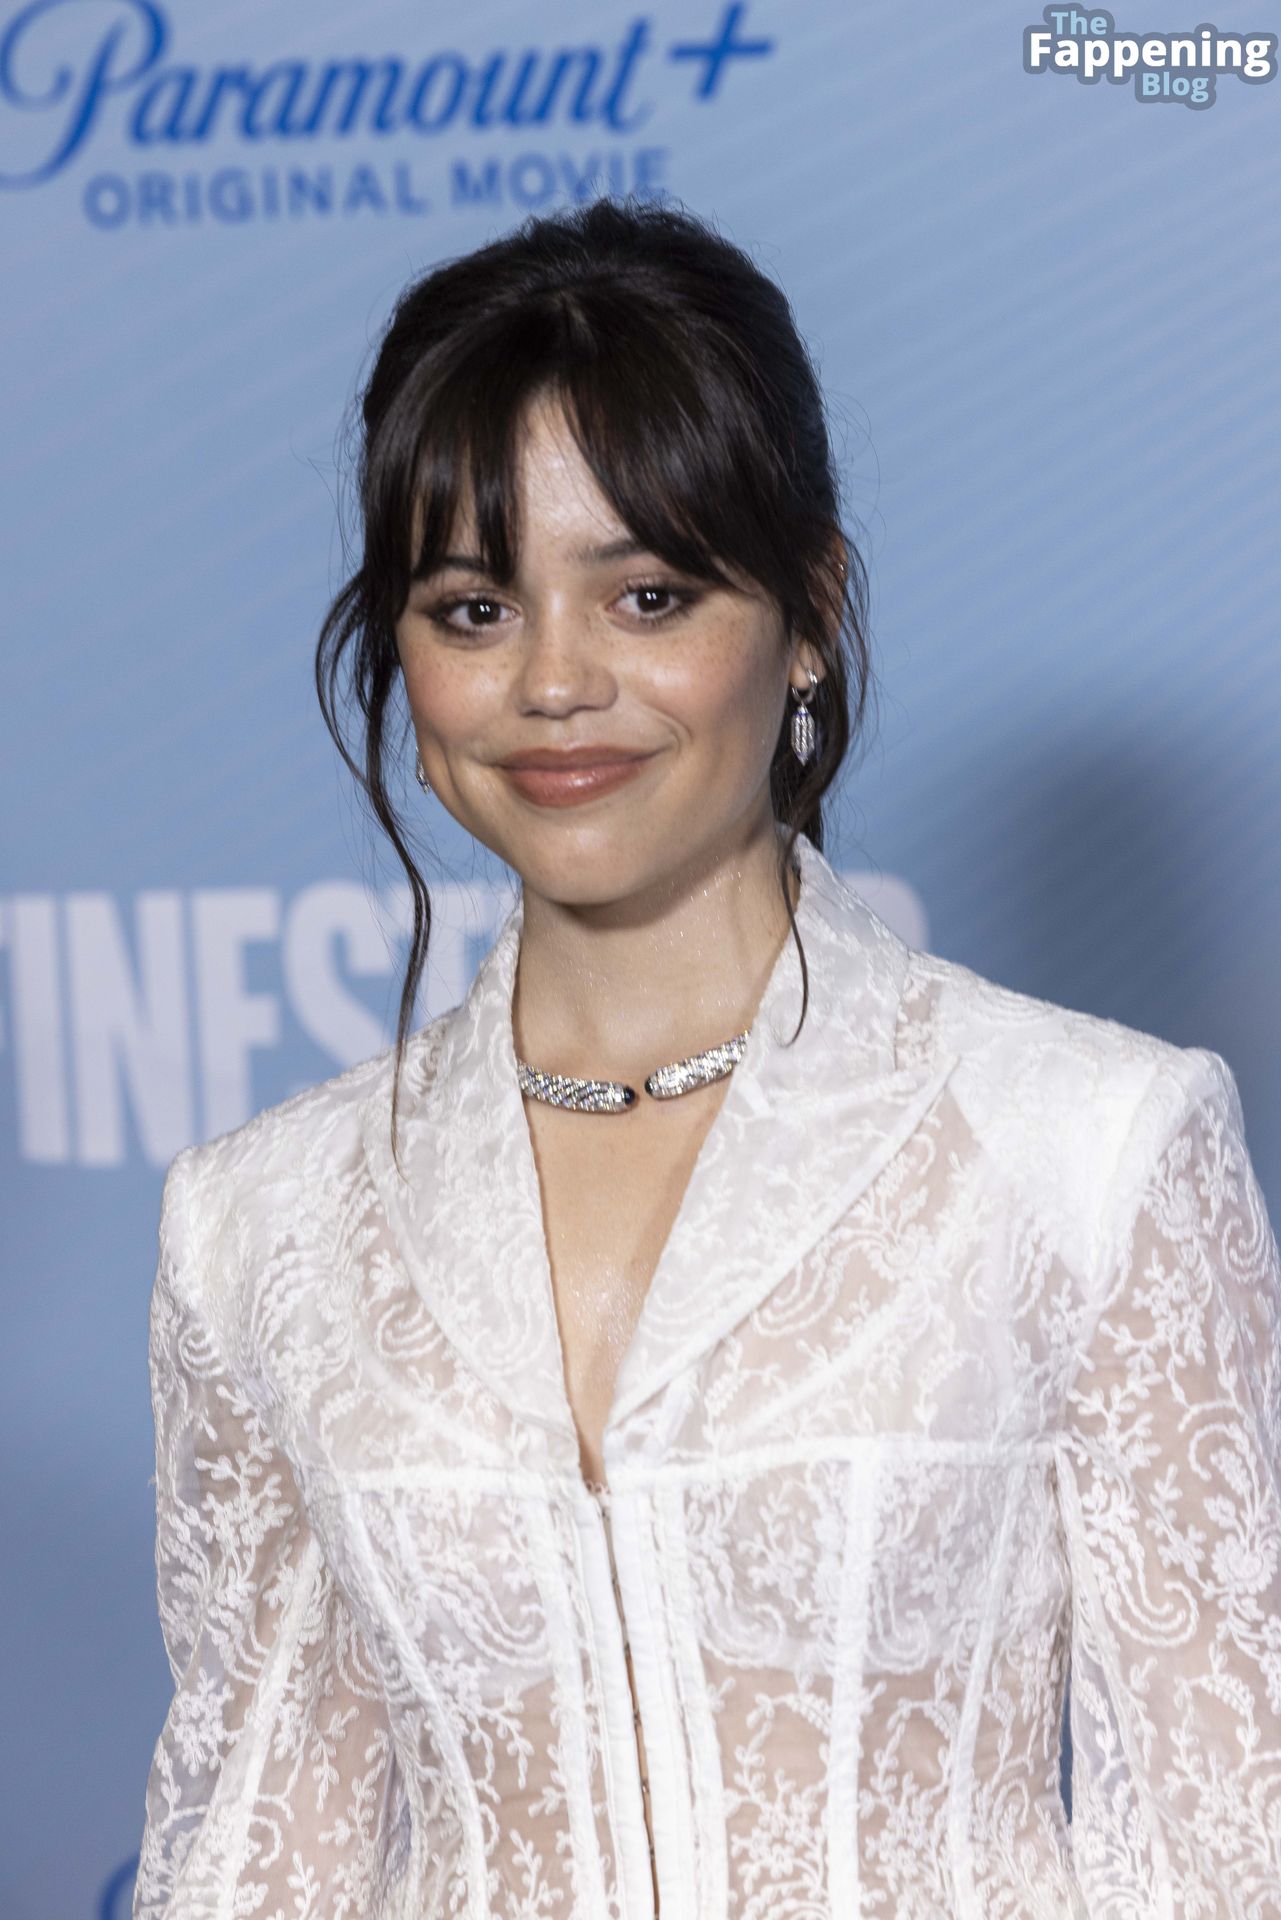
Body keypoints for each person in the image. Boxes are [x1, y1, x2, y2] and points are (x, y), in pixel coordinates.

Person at [132, 196, 1281, 1920]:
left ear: (808, 611)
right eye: (472, 609)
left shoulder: (1086, 1149)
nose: (554, 683)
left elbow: (1228, 1846)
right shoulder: (255, 1229)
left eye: (648, 594)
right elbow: (258, 1853)